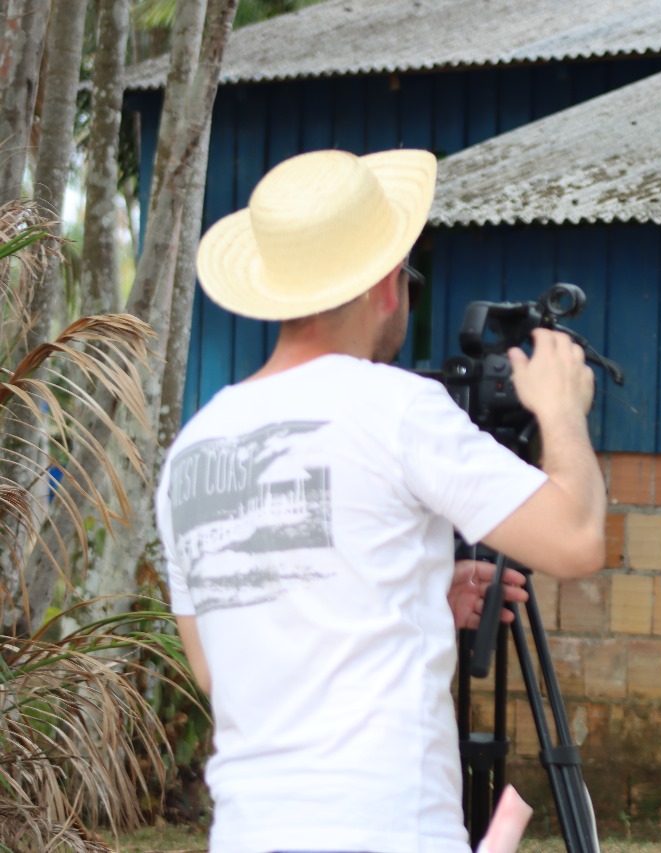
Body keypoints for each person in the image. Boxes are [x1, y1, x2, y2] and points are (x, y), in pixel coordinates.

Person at [154, 148, 606, 853]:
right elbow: (576, 539)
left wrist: (412, 596)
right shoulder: (398, 408)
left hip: (246, 830)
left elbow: (222, 666)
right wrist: (562, 409)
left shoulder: (193, 448)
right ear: (388, 285)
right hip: (386, 827)